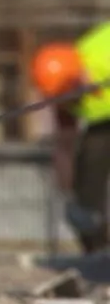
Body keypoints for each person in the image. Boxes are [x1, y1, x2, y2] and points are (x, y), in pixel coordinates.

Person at [33, 28, 110, 254]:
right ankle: (98, 249)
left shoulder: (103, 48)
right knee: (90, 161)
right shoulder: (64, 93)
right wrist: (70, 194)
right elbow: (65, 143)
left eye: (70, 94)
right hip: (104, 125)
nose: (70, 102)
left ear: (78, 76)